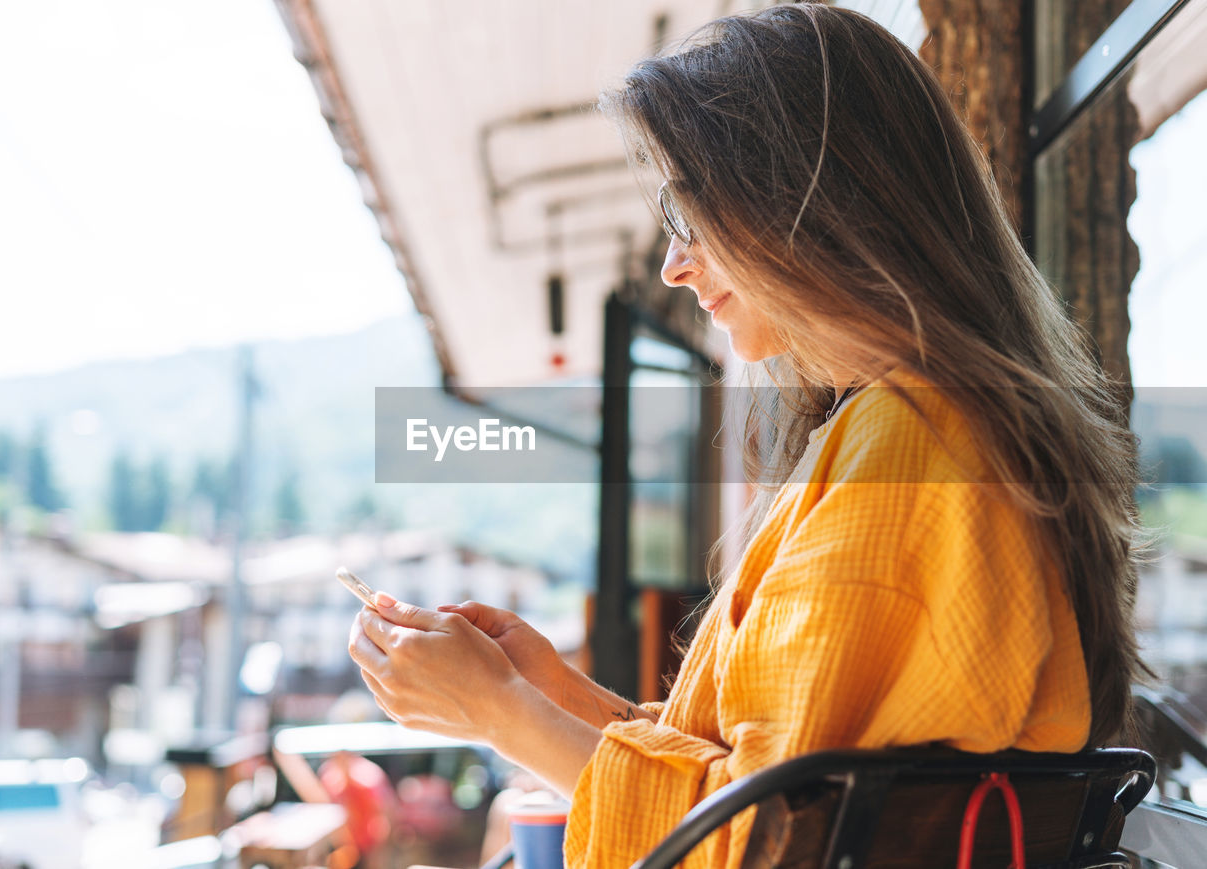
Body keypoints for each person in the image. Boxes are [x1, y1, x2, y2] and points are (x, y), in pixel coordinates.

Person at [346, 4, 1148, 866]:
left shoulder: (912, 454)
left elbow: (764, 841)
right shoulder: (922, 430)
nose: (673, 265)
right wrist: (554, 693)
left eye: (693, 216)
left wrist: (501, 711)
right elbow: (774, 776)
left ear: (804, 200)